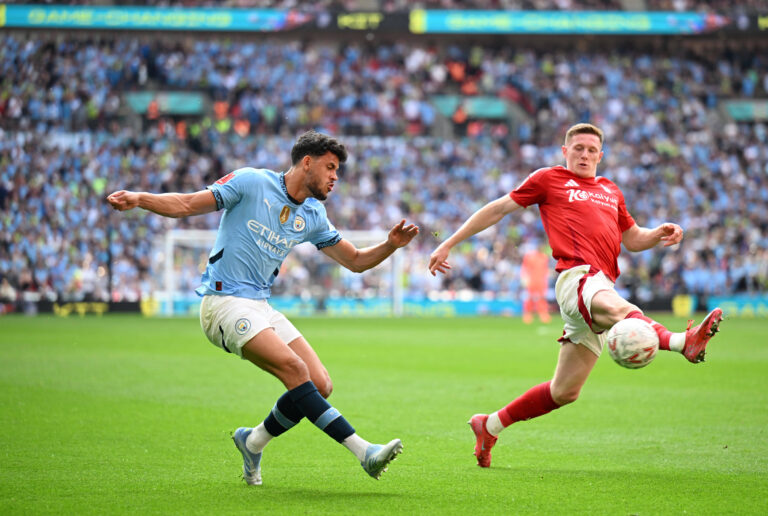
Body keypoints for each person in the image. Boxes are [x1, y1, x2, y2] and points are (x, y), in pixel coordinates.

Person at [107, 130, 419, 485]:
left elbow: (356, 261)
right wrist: (140, 198)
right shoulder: (252, 182)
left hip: (259, 304)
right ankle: (364, 452)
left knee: (320, 384)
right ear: (307, 162)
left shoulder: (313, 214)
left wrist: (390, 245)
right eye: (330, 167)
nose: (335, 177)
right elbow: (187, 205)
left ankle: (253, 441)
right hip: (223, 302)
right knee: (295, 369)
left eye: (338, 170)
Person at [428, 123, 723, 468]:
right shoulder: (549, 179)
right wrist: (449, 242)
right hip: (578, 277)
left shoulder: (610, 190)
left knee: (564, 391)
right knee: (624, 311)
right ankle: (681, 342)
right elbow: (498, 209)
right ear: (565, 151)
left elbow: (632, 239)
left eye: (591, 150)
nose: (584, 155)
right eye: (578, 148)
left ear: (601, 155)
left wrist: (658, 232)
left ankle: (490, 425)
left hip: (601, 284)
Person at [520, 241, 551, 324]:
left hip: (541, 280)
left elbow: (545, 269)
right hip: (532, 280)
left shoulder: (544, 257)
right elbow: (525, 268)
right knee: (529, 297)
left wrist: (547, 276)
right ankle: (528, 314)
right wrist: (524, 278)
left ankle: (543, 313)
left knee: (542, 297)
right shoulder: (530, 257)